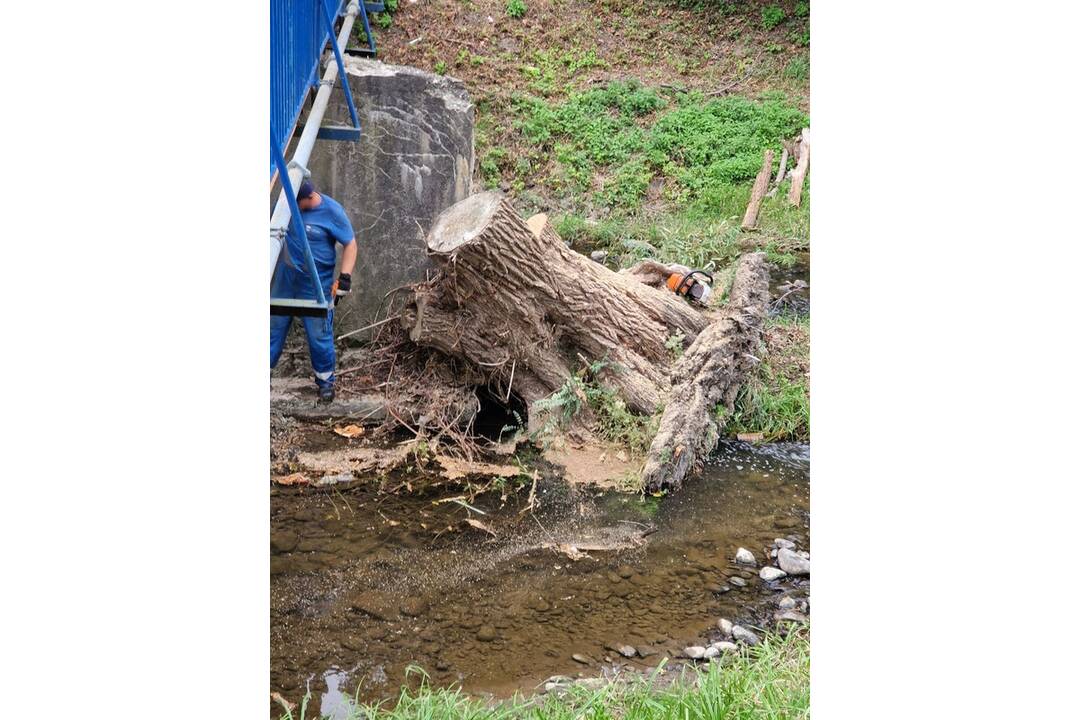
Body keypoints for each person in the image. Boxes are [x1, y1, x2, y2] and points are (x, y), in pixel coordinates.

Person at [270, 180, 357, 403]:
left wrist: (345, 277)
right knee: (272, 331)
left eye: (295, 203)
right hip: (285, 280)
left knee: (319, 336)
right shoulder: (284, 208)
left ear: (308, 198)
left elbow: (350, 243)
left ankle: (325, 382)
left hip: (316, 284)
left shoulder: (332, 211)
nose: (291, 208)